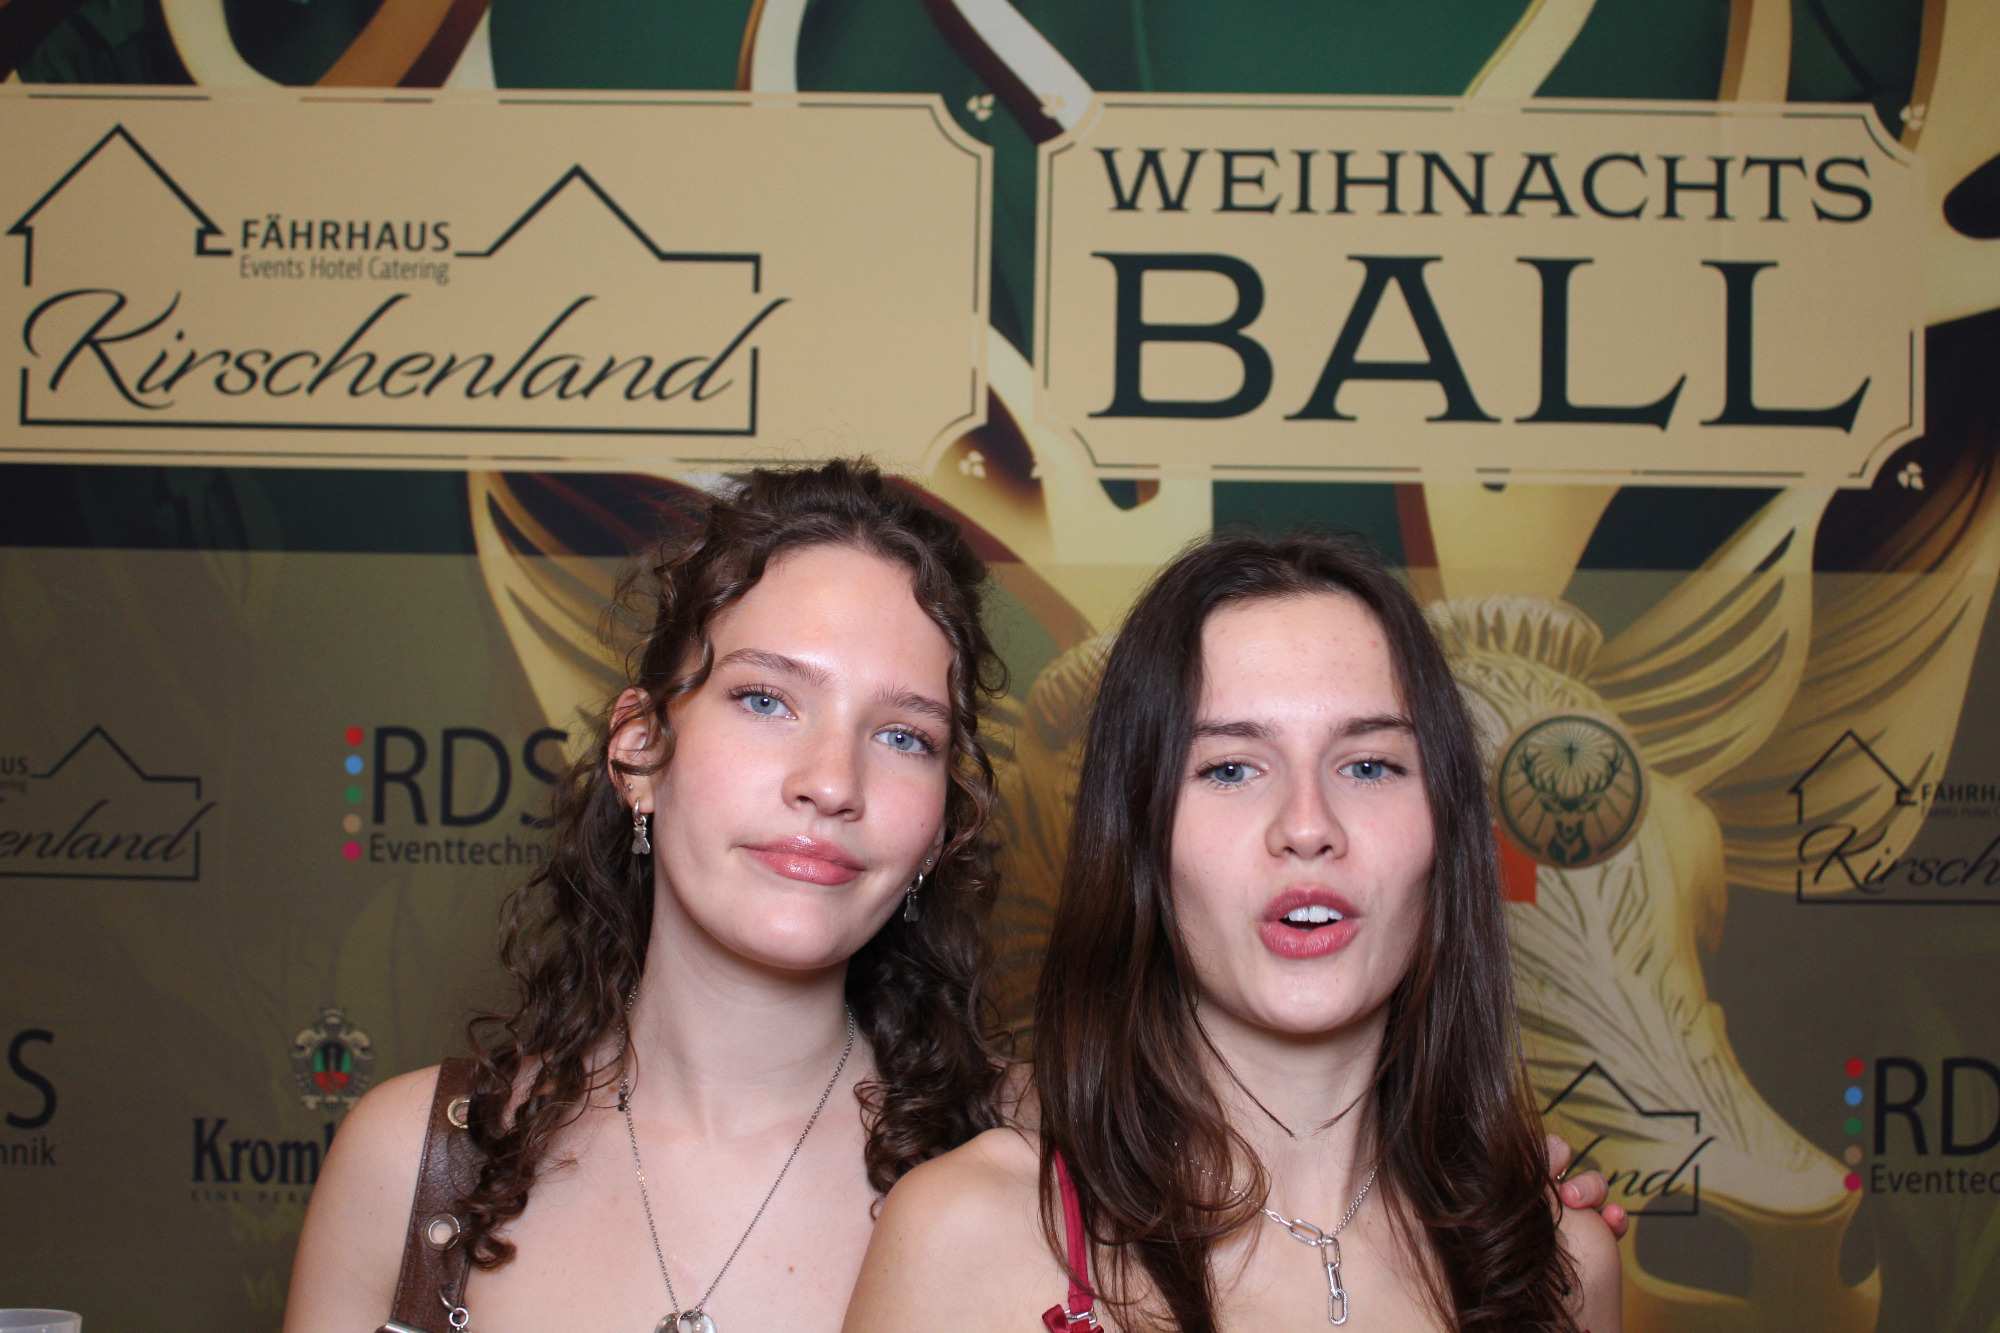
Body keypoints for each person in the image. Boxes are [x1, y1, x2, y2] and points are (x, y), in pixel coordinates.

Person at [283, 460, 1009, 1333]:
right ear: (639, 751)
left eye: (904, 735)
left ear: (940, 825)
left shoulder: (1027, 1180)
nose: (831, 782)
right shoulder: (412, 1165)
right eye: (765, 699)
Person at [846, 530, 1624, 1333]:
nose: (1308, 826)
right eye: (1230, 767)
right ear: (1139, 835)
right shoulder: (967, 1233)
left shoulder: (1563, 1262)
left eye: (1368, 764)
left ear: (1447, 830)